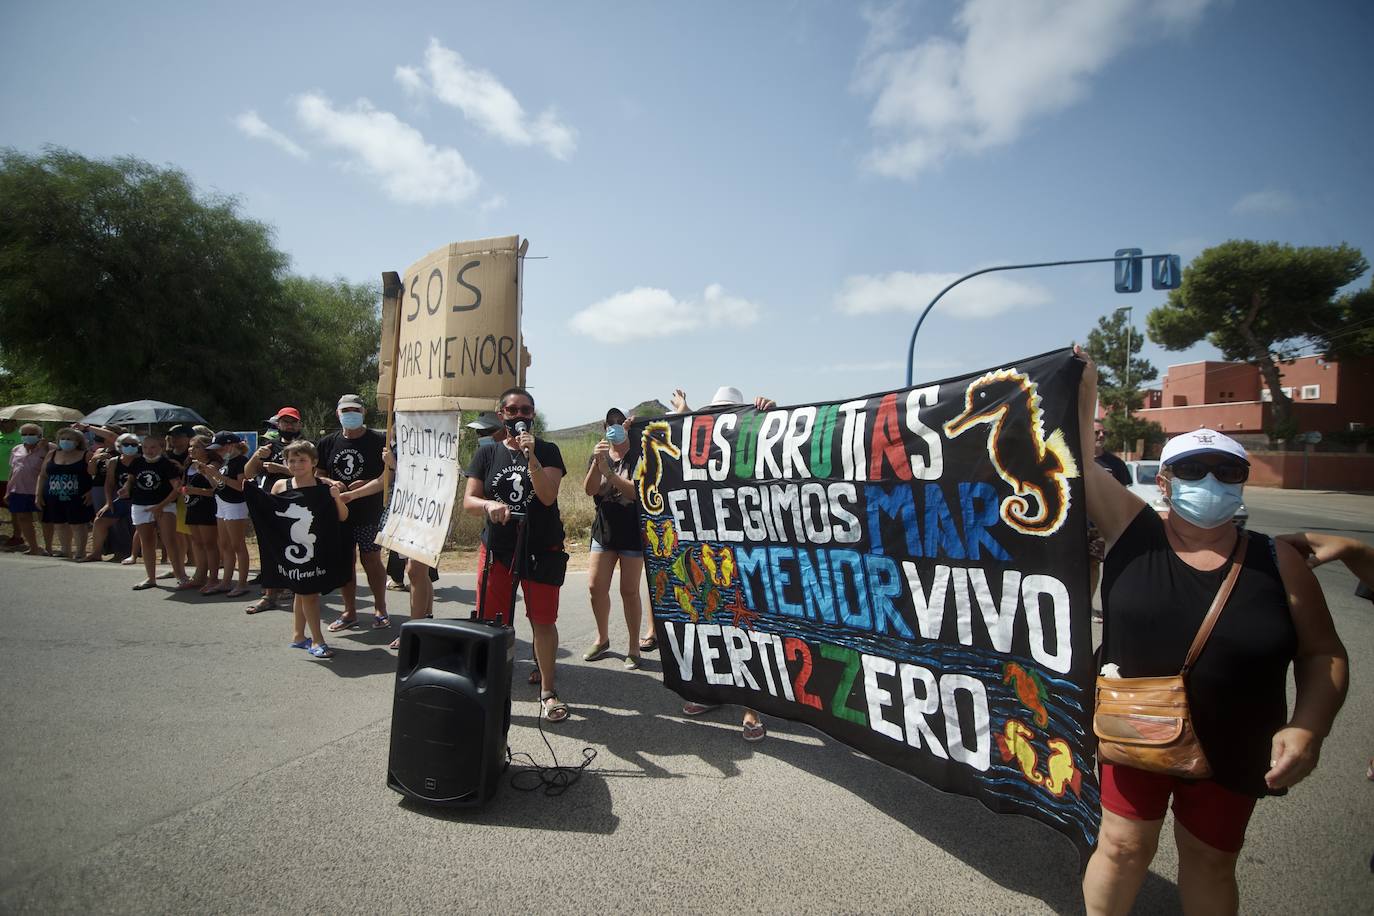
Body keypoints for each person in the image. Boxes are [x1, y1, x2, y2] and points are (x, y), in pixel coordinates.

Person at [1075, 349, 1348, 915]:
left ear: (1243, 482)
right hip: (1136, 732)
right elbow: (1076, 455)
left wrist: (1308, 729)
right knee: (1122, 848)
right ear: (1167, 482)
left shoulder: (1280, 560)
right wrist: (1086, 384)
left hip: (1239, 740)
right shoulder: (1133, 530)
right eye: (1193, 470)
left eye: (1227, 472)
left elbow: (1323, 653)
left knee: (1211, 860)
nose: (1211, 481)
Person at [668, 386, 775, 742]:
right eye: (717, 411)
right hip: (710, 544)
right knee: (710, 618)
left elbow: (782, 446)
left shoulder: (754, 437)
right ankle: (711, 693)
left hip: (746, 547)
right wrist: (682, 413)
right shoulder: (705, 441)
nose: (722, 417)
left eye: (731, 411)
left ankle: (751, 707)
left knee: (747, 625)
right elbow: (683, 442)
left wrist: (772, 413)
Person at [464, 387, 570, 723]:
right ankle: (489, 687)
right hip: (498, 549)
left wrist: (532, 457)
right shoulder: (487, 454)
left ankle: (548, 692)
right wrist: (488, 504)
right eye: (512, 410)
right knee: (492, 620)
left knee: (542, 619)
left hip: (541, 548)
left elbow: (548, 496)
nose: (520, 416)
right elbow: (470, 501)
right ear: (501, 415)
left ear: (533, 415)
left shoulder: (549, 451)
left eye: (526, 410)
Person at [244, 440, 349, 660]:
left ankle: (299, 636)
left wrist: (336, 499)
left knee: (304, 592)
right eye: (292, 460)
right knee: (307, 593)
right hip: (290, 549)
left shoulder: (323, 487)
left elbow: (342, 516)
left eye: (302, 460)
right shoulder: (281, 486)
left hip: (315, 549)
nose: (297, 464)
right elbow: (272, 516)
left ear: (314, 462)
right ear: (285, 462)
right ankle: (317, 640)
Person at [582, 407, 651, 668]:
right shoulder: (600, 454)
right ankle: (602, 638)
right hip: (604, 530)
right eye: (609, 422)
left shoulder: (638, 454)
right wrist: (598, 465)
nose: (614, 425)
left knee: (629, 590)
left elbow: (637, 493)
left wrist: (610, 475)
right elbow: (590, 490)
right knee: (595, 587)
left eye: (618, 421)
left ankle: (634, 647)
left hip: (633, 532)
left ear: (626, 425)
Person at [318, 395, 390, 633]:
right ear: (337, 413)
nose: (350, 414)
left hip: (369, 512)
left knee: (371, 560)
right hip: (339, 513)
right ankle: (349, 611)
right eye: (345, 410)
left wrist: (358, 491)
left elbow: (386, 479)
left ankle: (380, 608)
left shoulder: (380, 441)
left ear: (364, 412)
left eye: (355, 409)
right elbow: (316, 473)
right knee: (344, 562)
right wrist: (331, 482)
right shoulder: (327, 443)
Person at [247, 407, 303, 613]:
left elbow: (309, 473)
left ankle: (295, 588)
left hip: (295, 504)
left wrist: (280, 469)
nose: (288, 425)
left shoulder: (304, 446)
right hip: (270, 503)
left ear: (299, 424)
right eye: (284, 422)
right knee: (269, 549)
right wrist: (256, 457)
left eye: (292, 422)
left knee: (293, 548)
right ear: (277, 424)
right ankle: (270, 594)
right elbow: (248, 473)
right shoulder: (269, 446)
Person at [122, 433, 188, 590]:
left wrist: (161, 505)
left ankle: (181, 575)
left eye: (152, 447)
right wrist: (125, 488)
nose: (149, 450)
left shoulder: (167, 464)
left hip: (165, 505)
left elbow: (177, 488)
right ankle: (150, 578)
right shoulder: (137, 462)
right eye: (145, 447)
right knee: (147, 541)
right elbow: (131, 480)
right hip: (140, 505)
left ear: (160, 447)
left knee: (169, 540)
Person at [197, 432, 252, 597]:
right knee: (225, 545)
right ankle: (226, 582)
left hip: (236, 504)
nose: (218, 452)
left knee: (238, 545)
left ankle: (242, 583)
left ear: (231, 445)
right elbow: (218, 484)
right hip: (222, 502)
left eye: (220, 448)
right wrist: (207, 474)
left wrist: (219, 476)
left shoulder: (241, 461)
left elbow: (242, 486)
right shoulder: (226, 461)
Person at [1089, 422, 1132, 609]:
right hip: (1073, 525)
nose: (1101, 435)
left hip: (1102, 526)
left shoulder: (1116, 464)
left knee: (1094, 566)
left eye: (1103, 432)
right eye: (1096, 432)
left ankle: (1088, 605)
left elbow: (1124, 496)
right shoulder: (1070, 458)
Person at [35, 426, 94, 558]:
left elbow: (95, 476)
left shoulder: (86, 455)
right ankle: (65, 550)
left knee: (78, 524)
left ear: (77, 441)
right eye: (63, 439)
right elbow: (43, 475)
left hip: (78, 496)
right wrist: (38, 495)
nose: (65, 441)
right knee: (59, 523)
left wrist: (91, 492)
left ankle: (80, 551)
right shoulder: (52, 454)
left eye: (69, 439)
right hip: (53, 495)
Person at [84, 433, 140, 562]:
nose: (130, 447)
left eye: (134, 445)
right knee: (100, 520)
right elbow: (109, 483)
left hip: (140, 500)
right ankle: (96, 553)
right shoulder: (114, 462)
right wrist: (108, 502)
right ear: (119, 446)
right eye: (126, 445)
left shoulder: (142, 460)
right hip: (122, 499)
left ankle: (131, 554)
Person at [181, 435, 221, 593]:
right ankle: (199, 575)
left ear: (207, 449)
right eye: (190, 446)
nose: (191, 450)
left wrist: (196, 489)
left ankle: (213, 578)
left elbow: (216, 490)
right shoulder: (188, 465)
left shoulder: (213, 465)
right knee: (197, 543)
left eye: (196, 447)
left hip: (207, 508)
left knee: (209, 544)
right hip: (192, 507)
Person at [4, 424, 46, 554]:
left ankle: (48, 546)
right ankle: (33, 547)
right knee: (23, 518)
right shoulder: (16, 449)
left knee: (43, 519)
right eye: (25, 434)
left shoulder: (47, 449)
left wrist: (44, 447)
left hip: (39, 490)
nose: (28, 437)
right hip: (19, 489)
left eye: (31, 434)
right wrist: (8, 490)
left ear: (39, 436)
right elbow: (13, 470)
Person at [0, 417, 23, 549]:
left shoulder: (20, 436)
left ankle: (17, 536)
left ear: (14, 422)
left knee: (14, 509)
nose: (3, 424)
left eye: (6, 421)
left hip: (12, 478)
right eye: (1, 421)